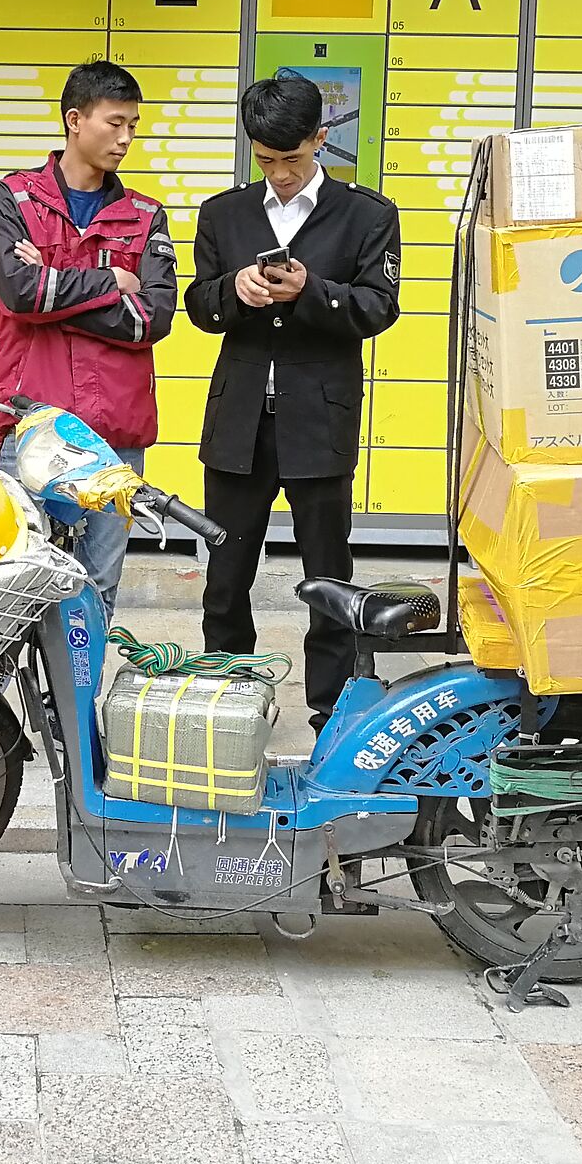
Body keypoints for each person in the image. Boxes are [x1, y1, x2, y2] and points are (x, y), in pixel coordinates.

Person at [186, 75, 401, 728]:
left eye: (293, 159)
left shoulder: (369, 214)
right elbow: (198, 304)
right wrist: (233, 290)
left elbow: (379, 307)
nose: (279, 174)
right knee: (225, 577)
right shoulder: (222, 213)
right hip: (238, 425)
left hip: (320, 422)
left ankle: (331, 711)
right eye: (265, 159)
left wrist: (313, 291)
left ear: (320, 140)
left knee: (329, 579)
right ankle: (229, 698)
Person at [0, 58, 177, 615]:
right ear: (74, 119)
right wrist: (112, 281)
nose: (126, 137)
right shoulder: (14, 199)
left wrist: (55, 289)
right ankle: (2, 701)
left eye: (133, 125)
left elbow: (152, 319)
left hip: (117, 432)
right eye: (115, 123)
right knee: (11, 581)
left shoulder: (145, 215)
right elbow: (19, 294)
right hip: (33, 423)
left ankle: (76, 705)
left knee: (97, 589)